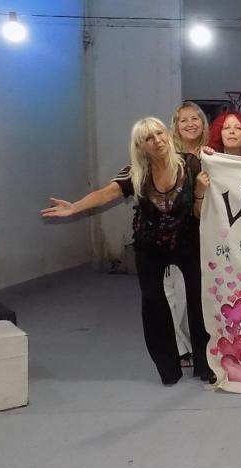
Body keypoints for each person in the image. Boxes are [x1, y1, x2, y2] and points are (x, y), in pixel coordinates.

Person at [41, 117, 215, 386]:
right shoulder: (135, 173)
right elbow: (105, 194)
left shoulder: (189, 164)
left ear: (167, 135)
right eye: (149, 138)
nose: (157, 140)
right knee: (153, 302)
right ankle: (169, 368)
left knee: (198, 301)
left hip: (187, 242)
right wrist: (75, 207)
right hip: (149, 245)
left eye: (160, 133)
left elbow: (223, 175)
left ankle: (206, 365)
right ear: (140, 146)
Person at [166, 101, 210, 368]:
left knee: (200, 295)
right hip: (176, 234)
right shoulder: (167, 157)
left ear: (203, 124)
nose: (190, 124)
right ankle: (181, 347)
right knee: (176, 295)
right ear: (176, 126)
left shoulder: (212, 155)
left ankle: (201, 346)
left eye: (195, 118)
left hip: (207, 233)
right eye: (184, 120)